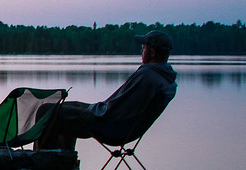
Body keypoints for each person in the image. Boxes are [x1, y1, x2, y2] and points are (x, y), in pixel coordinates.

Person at [36, 30, 177, 151]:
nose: (142, 51)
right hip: (123, 126)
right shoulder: (165, 78)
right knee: (65, 107)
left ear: (152, 52)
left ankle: (45, 163)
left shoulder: (148, 76)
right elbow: (123, 106)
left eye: (144, 48)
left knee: (48, 111)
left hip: (111, 127)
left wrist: (93, 109)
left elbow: (116, 109)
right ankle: (63, 161)